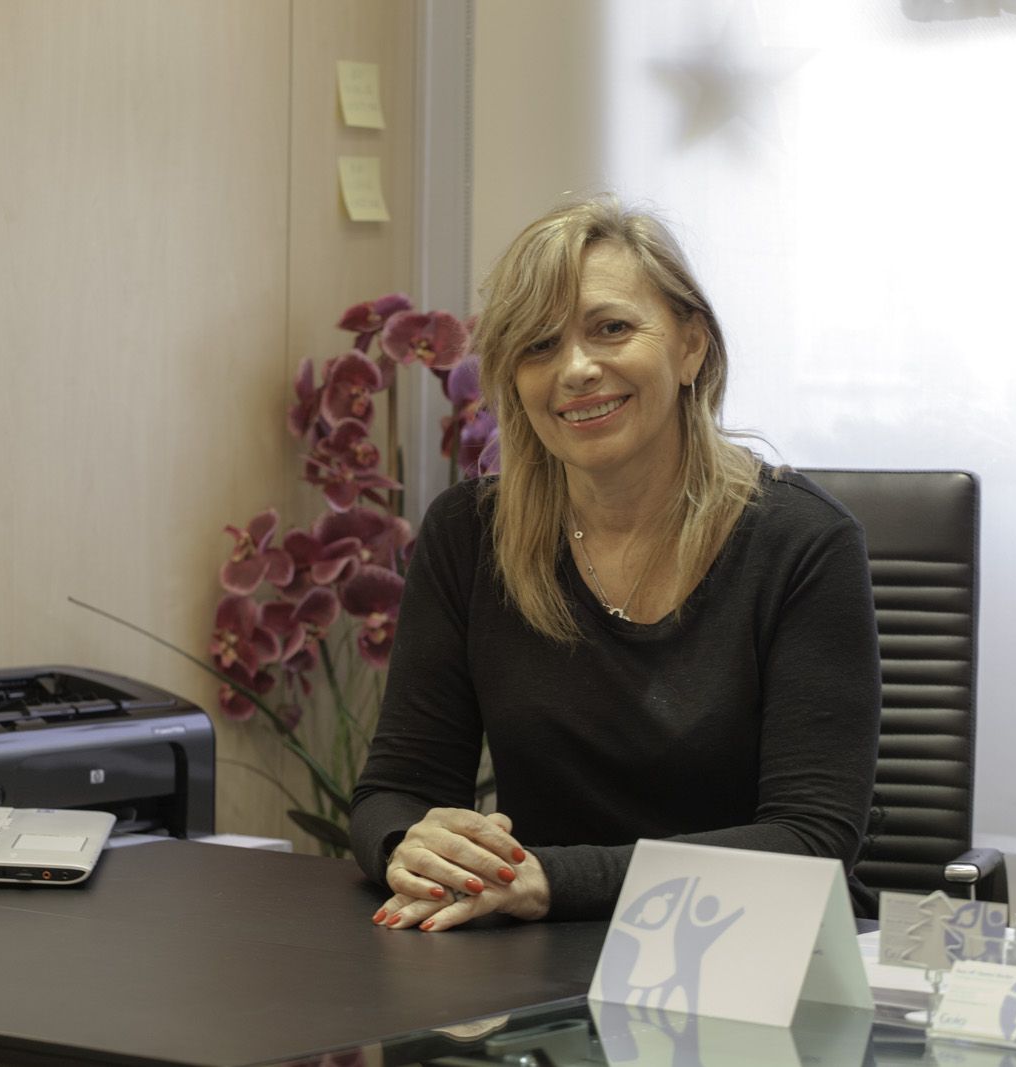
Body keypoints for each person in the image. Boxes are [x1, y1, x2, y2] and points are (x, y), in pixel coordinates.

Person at [349, 196, 881, 932]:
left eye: (612, 328)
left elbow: (809, 841)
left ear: (691, 345)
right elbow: (396, 790)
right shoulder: (470, 534)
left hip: (753, 958)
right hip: (531, 969)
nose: (574, 369)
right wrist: (415, 845)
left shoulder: (803, 543)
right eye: (537, 345)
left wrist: (553, 880)